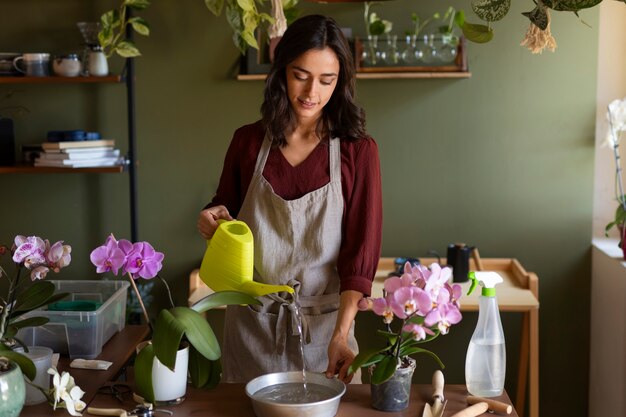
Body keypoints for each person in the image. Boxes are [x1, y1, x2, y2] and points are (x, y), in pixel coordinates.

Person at [197, 14, 382, 384]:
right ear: (281, 71)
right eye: (301, 75)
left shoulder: (357, 152)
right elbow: (224, 211)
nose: (312, 92)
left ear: (340, 82)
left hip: (327, 335)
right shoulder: (247, 143)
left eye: (326, 80)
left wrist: (341, 336)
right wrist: (210, 218)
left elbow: (359, 261)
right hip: (252, 329)